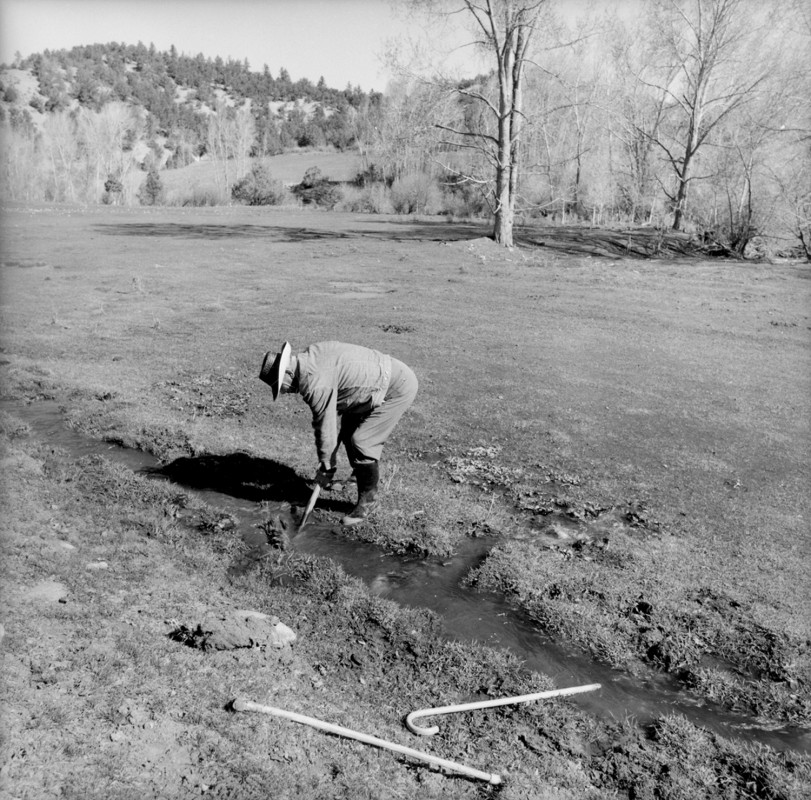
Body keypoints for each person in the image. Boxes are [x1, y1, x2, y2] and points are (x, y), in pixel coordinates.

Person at [259, 341, 418, 526]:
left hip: (396, 387)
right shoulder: (310, 356)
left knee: (362, 441)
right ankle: (356, 478)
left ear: (288, 372)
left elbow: (325, 425)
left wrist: (327, 466)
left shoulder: (314, 383)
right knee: (349, 428)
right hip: (376, 382)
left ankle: (367, 505)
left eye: (281, 385)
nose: (285, 391)